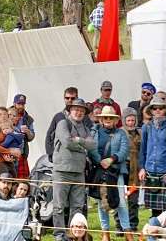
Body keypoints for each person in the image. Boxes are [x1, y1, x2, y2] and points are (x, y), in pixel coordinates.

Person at [52, 98, 96, 241]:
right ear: (70, 110)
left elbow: (92, 145)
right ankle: (59, 235)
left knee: (77, 207)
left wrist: (78, 140)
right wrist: (81, 145)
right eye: (76, 109)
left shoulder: (85, 128)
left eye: (81, 110)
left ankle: (73, 235)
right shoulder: (62, 123)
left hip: (79, 172)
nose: (78, 112)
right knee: (59, 206)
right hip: (62, 171)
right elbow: (66, 142)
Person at [88, 106, 132, 241]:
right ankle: (105, 232)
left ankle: (128, 232)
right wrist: (100, 160)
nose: (108, 120)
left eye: (111, 118)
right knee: (102, 202)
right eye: (105, 117)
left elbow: (124, 150)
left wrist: (111, 159)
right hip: (99, 170)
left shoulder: (121, 133)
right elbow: (91, 148)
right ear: (101, 119)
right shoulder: (94, 132)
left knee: (121, 203)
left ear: (115, 120)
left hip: (115, 171)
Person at [139, 94, 166, 217]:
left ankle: (165, 233)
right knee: (154, 210)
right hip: (150, 170)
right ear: (151, 110)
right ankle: (154, 233)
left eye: (160, 108)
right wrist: (142, 167)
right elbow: (143, 149)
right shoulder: (146, 127)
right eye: (154, 108)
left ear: (165, 110)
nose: (157, 110)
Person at [46, 87, 92, 161]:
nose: (69, 100)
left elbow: (90, 136)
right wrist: (51, 154)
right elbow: (49, 136)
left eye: (72, 98)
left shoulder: (84, 117)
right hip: (61, 159)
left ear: (77, 98)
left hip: (78, 158)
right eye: (67, 98)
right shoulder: (59, 116)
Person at [118, 108, 143, 233]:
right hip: (122, 168)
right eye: (128, 120)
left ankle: (133, 225)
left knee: (133, 199)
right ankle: (120, 226)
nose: (131, 123)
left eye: (133, 120)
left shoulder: (140, 133)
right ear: (124, 120)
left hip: (135, 169)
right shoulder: (119, 133)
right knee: (119, 198)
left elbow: (143, 152)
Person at [10, 94, 35, 178]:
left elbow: (31, 137)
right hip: (7, 151)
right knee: (7, 178)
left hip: (21, 153)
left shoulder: (28, 119)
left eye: (23, 104)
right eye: (19, 104)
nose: (21, 106)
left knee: (21, 180)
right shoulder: (7, 114)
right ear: (14, 103)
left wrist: (27, 131)